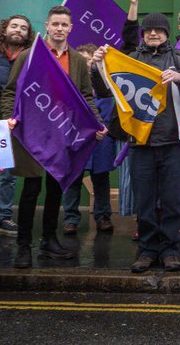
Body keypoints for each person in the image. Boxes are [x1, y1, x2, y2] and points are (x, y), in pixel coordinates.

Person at [94, 4, 180, 273]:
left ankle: (170, 250)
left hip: (174, 142)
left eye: (158, 30)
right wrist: (97, 67)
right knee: (145, 201)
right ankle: (147, 250)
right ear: (143, 34)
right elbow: (105, 91)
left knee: (174, 200)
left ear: (166, 33)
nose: (153, 33)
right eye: (149, 30)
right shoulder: (129, 57)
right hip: (140, 143)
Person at [1, 5, 103, 269]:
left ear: (71, 28)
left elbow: (85, 97)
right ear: (47, 26)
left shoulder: (79, 61)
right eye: (55, 24)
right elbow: (11, 91)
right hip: (32, 133)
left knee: (57, 187)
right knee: (31, 190)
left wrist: (97, 123)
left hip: (62, 133)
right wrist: (7, 119)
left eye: (64, 25)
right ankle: (24, 246)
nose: (59, 29)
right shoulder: (29, 55)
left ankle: (49, 240)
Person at [0, 14, 36, 239]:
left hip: (17, 121)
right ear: (5, 29)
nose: (18, 30)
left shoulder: (31, 56)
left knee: (9, 174)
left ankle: (4, 217)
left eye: (23, 28)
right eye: (14, 26)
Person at [62, 43, 117, 238]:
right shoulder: (69, 82)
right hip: (76, 138)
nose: (86, 63)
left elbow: (111, 108)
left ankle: (103, 217)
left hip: (101, 139)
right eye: (82, 59)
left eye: (90, 59)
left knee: (101, 179)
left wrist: (104, 128)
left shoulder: (106, 82)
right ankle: (70, 219)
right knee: (73, 179)